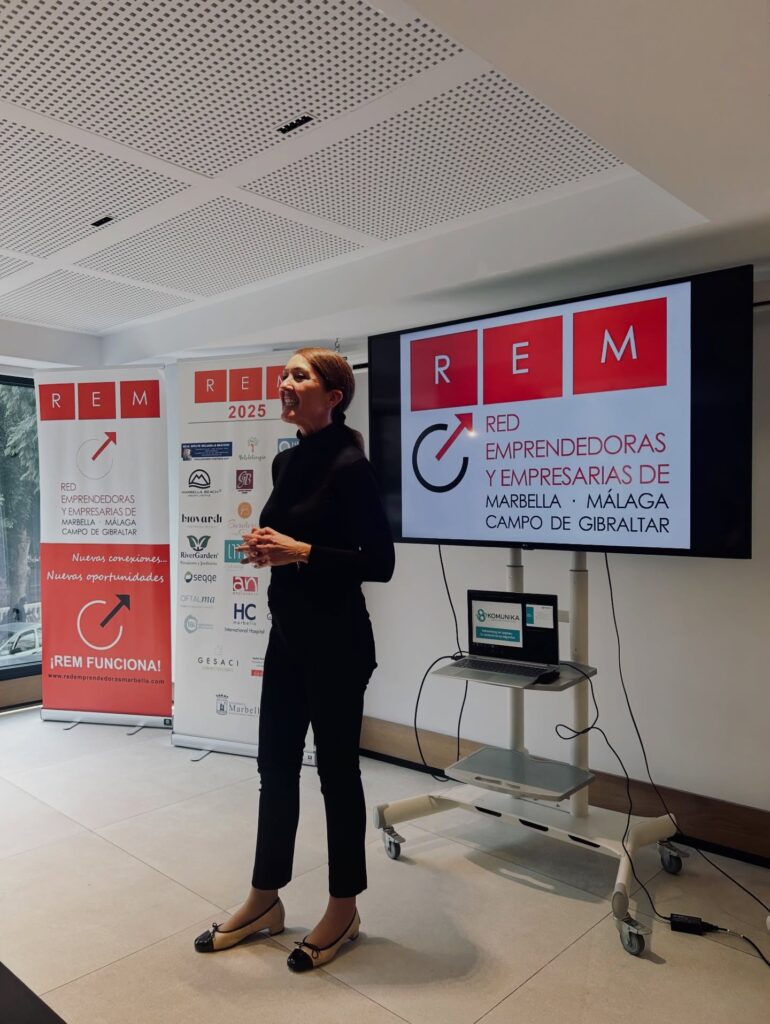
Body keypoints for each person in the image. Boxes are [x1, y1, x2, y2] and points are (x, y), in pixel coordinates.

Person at [194, 348, 395, 972]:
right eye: (284, 374)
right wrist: (268, 550)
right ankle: (265, 899)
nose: (284, 383)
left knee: (337, 776)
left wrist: (301, 550)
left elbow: (379, 563)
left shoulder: (352, 465)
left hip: (339, 646)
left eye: (298, 376)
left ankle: (344, 909)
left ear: (333, 396)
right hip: (287, 639)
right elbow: (292, 545)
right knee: (275, 769)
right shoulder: (285, 461)